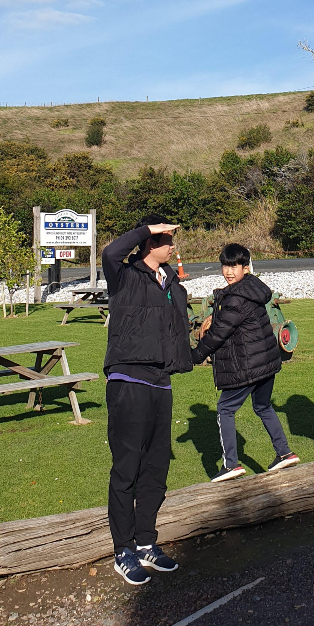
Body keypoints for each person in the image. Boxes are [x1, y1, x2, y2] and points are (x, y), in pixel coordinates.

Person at [101, 216, 193, 585]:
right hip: (128, 378)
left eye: (170, 238)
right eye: (165, 238)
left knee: (156, 469)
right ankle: (122, 550)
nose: (171, 245)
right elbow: (110, 251)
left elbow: (177, 331)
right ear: (148, 241)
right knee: (127, 468)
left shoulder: (169, 281)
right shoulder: (124, 274)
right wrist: (146, 230)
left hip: (161, 381)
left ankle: (145, 544)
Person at [191, 242, 299, 481]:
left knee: (225, 409)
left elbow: (218, 334)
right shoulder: (251, 289)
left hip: (248, 364)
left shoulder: (235, 297)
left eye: (235, 266)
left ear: (246, 268)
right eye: (225, 266)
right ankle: (284, 452)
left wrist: (195, 357)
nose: (229, 271)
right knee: (263, 406)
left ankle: (231, 464)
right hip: (266, 362)